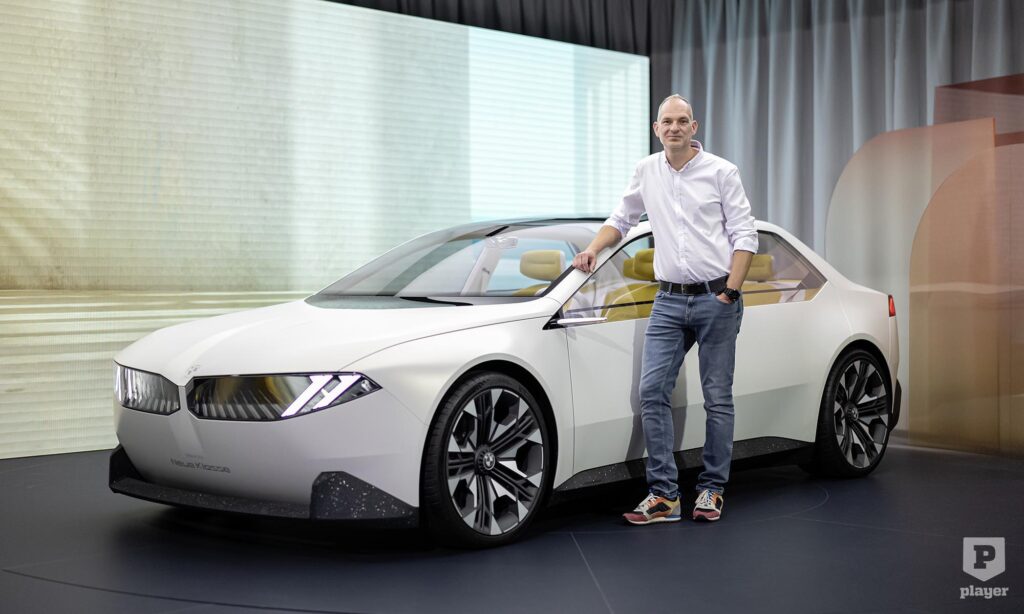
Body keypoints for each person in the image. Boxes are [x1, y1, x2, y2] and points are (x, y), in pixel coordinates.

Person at [572, 94, 757, 524]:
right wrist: (593, 249)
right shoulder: (646, 170)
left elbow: (744, 235)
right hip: (669, 300)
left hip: (716, 298)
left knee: (717, 398)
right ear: (656, 129)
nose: (674, 127)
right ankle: (664, 496)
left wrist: (730, 292)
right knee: (651, 392)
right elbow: (621, 220)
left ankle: (711, 489)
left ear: (694, 127)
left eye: (682, 121)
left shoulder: (722, 171)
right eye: (667, 122)